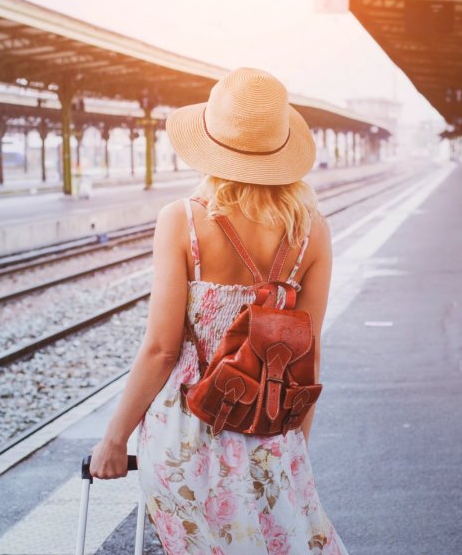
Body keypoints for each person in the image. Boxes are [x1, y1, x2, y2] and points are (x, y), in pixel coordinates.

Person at [90, 67, 347, 554]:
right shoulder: (313, 231)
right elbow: (305, 358)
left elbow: (162, 350)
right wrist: (292, 447)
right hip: (271, 431)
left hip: (184, 438)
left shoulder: (182, 221)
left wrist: (113, 440)